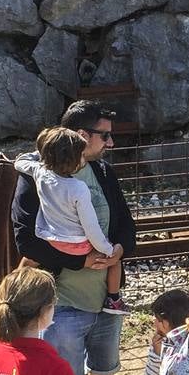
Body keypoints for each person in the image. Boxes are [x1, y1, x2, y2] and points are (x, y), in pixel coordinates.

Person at [12, 100, 137, 375]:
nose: (110, 144)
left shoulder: (101, 171)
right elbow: (27, 241)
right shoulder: (36, 177)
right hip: (62, 302)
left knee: (104, 371)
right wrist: (80, 261)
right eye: (105, 136)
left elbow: (126, 224)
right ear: (82, 137)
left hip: (105, 300)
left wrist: (119, 250)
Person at [24, 126, 128, 314]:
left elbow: (20, 162)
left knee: (28, 261)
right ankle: (114, 299)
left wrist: (38, 154)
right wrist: (108, 250)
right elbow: (91, 228)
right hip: (78, 245)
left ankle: (19, 291)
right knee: (113, 259)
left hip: (52, 239)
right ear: (72, 159)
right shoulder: (77, 188)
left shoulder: (40, 174)